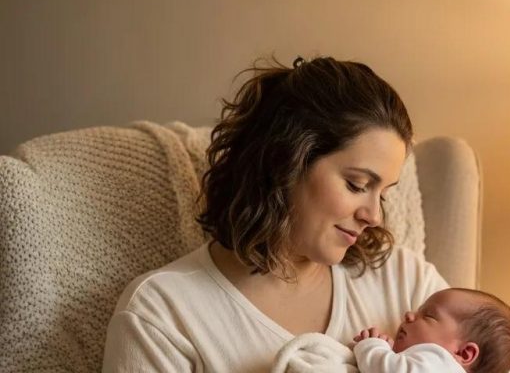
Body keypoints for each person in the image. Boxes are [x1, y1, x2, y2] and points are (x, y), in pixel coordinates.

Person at [102, 56, 449, 371]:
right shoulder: (163, 315)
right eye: (357, 185)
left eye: (384, 194)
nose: (374, 216)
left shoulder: (406, 283)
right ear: (284, 162)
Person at [352, 288, 510, 373]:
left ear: (464, 353)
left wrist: (372, 346)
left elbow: (389, 370)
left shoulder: (440, 363)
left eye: (429, 316)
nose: (409, 315)